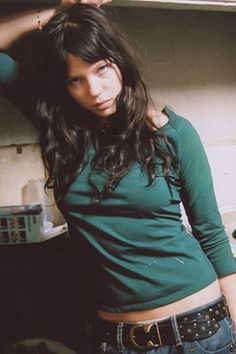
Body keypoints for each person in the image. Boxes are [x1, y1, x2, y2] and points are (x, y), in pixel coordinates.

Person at [0, 2, 236, 353]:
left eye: (102, 68)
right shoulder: (63, 136)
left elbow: (212, 235)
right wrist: (57, 14)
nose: (94, 89)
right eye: (75, 80)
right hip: (117, 339)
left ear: (120, 62)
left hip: (199, 329)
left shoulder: (172, 133)